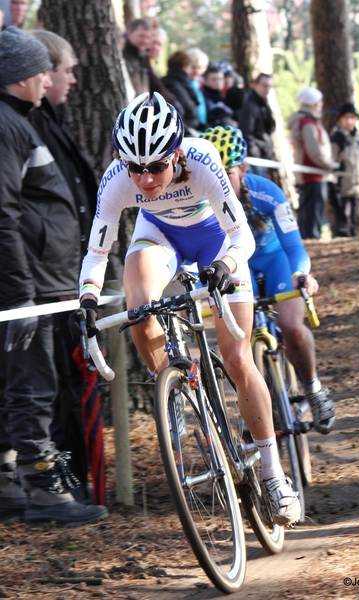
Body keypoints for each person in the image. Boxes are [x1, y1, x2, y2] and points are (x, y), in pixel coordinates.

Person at [69, 92, 301, 526]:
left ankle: (273, 474)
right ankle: (172, 388)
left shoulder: (204, 160)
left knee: (237, 357)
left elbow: (243, 239)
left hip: (217, 243)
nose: (145, 179)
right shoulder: (117, 179)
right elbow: (97, 253)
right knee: (139, 303)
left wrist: (225, 266)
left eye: (156, 166)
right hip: (161, 238)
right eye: (135, 166)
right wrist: (86, 300)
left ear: (176, 155)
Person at [0, 26, 108, 526]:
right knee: (33, 385)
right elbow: (3, 215)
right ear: (17, 76)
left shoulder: (20, 121)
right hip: (31, 285)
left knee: (25, 382)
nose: (47, 78)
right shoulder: (6, 126)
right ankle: (44, 487)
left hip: (43, 279)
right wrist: (21, 295)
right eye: (39, 69)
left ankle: (10, 482)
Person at [203, 125, 336, 436]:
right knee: (240, 348)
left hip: (276, 261)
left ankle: (314, 388)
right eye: (214, 174)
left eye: (228, 173)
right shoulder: (201, 203)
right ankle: (257, 412)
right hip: (237, 268)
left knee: (291, 327)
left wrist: (301, 274)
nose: (220, 182)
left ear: (243, 169)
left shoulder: (268, 193)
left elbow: (294, 245)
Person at [28, 30, 100, 504]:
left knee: (73, 376)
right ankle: (62, 477)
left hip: (70, 268)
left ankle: (81, 475)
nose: (73, 80)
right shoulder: (28, 124)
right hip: (46, 273)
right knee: (53, 381)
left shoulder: (54, 120)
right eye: (67, 70)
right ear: (45, 73)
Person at [287, 86, 335, 240]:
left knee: (311, 214)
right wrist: (331, 165)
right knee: (311, 216)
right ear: (313, 104)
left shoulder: (308, 121)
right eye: (319, 102)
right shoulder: (307, 123)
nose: (321, 105)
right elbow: (314, 152)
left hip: (314, 176)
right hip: (312, 176)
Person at [329, 102, 359, 237]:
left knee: (354, 219)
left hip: (357, 186)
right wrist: (333, 187)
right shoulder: (337, 138)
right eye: (346, 117)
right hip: (342, 187)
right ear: (340, 119)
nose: (349, 121)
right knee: (343, 219)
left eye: (352, 117)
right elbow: (332, 163)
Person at [238, 73, 276, 163]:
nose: (267, 90)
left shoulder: (263, 103)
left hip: (263, 155)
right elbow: (246, 133)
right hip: (255, 158)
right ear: (255, 85)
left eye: (270, 86)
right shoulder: (250, 105)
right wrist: (255, 153)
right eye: (264, 86)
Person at [161, 50, 200, 135]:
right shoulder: (177, 85)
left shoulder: (165, 82)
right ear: (185, 66)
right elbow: (187, 109)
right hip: (185, 131)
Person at [186, 47, 209, 131]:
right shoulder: (185, 84)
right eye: (193, 67)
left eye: (199, 68)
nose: (196, 71)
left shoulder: (196, 84)